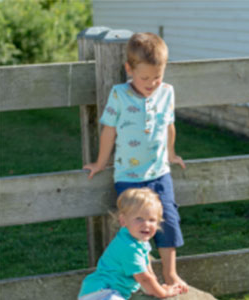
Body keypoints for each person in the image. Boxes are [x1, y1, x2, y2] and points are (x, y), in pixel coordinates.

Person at [83, 32, 188, 293]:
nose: (151, 83)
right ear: (129, 69)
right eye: (144, 78)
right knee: (135, 226)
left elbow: (169, 126)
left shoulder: (167, 92)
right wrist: (99, 162)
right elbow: (109, 130)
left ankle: (170, 273)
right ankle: (139, 276)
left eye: (157, 77)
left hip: (159, 172)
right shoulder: (119, 94)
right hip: (129, 176)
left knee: (168, 221)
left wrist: (171, 154)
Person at [78, 188, 182, 300]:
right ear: (123, 220)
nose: (146, 224)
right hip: (102, 292)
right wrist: (163, 293)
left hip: (106, 292)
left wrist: (155, 288)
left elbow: (148, 272)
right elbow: (144, 278)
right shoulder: (129, 247)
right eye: (139, 219)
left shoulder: (139, 241)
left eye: (152, 220)